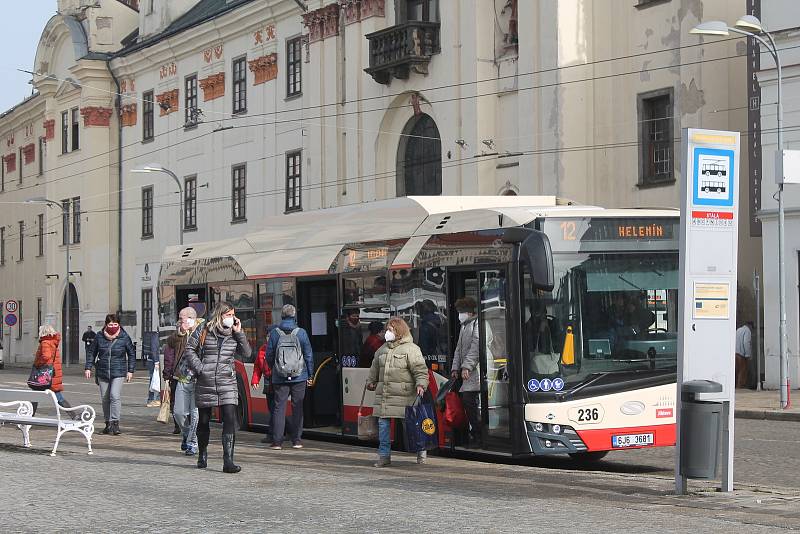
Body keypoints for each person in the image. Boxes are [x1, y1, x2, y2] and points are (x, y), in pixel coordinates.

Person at [184, 302, 251, 473]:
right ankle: (203, 453)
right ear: (220, 315)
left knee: (230, 418)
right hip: (205, 380)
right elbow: (190, 349)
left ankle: (228, 460)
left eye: (233, 315)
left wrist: (240, 333)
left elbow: (247, 353)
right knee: (204, 420)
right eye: (228, 315)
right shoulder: (204, 329)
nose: (232, 318)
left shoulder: (235, 332)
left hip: (227, 381)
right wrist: (201, 368)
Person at [367, 317, 429, 467]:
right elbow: (374, 369)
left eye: (390, 329)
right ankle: (384, 456)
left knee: (412, 426)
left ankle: (421, 451)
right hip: (385, 397)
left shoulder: (411, 349)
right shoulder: (382, 350)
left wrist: (421, 384)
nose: (387, 332)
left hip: (404, 397)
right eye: (387, 329)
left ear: (399, 331)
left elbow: (420, 370)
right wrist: (370, 381)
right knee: (383, 427)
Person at [266, 304, 314, 450]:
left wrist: (275, 368)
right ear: (294, 316)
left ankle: (277, 442)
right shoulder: (302, 333)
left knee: (279, 408)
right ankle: (297, 440)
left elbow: (269, 355)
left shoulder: (275, 333)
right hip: (299, 376)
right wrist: (310, 374)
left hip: (280, 377)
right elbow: (308, 355)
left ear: (282, 315)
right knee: (297, 407)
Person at [84, 314, 136, 435]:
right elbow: (92, 352)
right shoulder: (99, 336)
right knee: (105, 398)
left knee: (114, 395)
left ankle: (115, 423)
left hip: (118, 370)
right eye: (110, 324)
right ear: (106, 325)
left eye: (115, 324)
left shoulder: (124, 336)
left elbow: (131, 353)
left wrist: (130, 370)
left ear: (119, 325)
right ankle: (107, 423)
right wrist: (88, 367)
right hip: (102, 371)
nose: (113, 326)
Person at [165, 307, 204, 455]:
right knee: (179, 413)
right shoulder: (181, 332)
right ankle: (186, 434)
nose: (180, 321)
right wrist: (181, 332)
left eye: (182, 318)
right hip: (182, 376)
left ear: (191, 318)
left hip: (198, 378)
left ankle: (192, 443)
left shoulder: (203, 330)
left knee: (195, 413)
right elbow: (169, 343)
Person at [450, 297, 481, 448]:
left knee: (470, 402)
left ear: (468, 312)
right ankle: (475, 434)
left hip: (476, 372)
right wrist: (455, 368)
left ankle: (478, 435)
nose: (459, 315)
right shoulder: (465, 326)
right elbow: (458, 349)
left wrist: (467, 366)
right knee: (469, 403)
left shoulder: (477, 324)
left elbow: (476, 347)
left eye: (461, 312)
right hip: (467, 372)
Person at [35, 324, 71, 408]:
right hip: (53, 372)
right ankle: (73, 415)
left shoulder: (45, 342)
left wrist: (38, 363)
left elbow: (46, 356)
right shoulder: (53, 342)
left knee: (36, 394)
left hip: (46, 373)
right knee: (57, 395)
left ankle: (30, 415)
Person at [143, 331, 161, 407]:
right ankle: (153, 399)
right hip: (154, 361)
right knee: (154, 380)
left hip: (152, 360)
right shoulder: (156, 336)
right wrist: (156, 361)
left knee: (154, 380)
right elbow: (154, 348)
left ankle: (153, 399)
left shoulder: (154, 335)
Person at [736, 321, 753, 388]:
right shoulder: (747, 331)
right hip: (741, 355)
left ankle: (737, 385)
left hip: (735, 353)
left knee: (737, 371)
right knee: (742, 371)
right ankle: (740, 386)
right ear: (750, 326)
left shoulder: (738, 330)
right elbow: (746, 342)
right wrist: (748, 355)